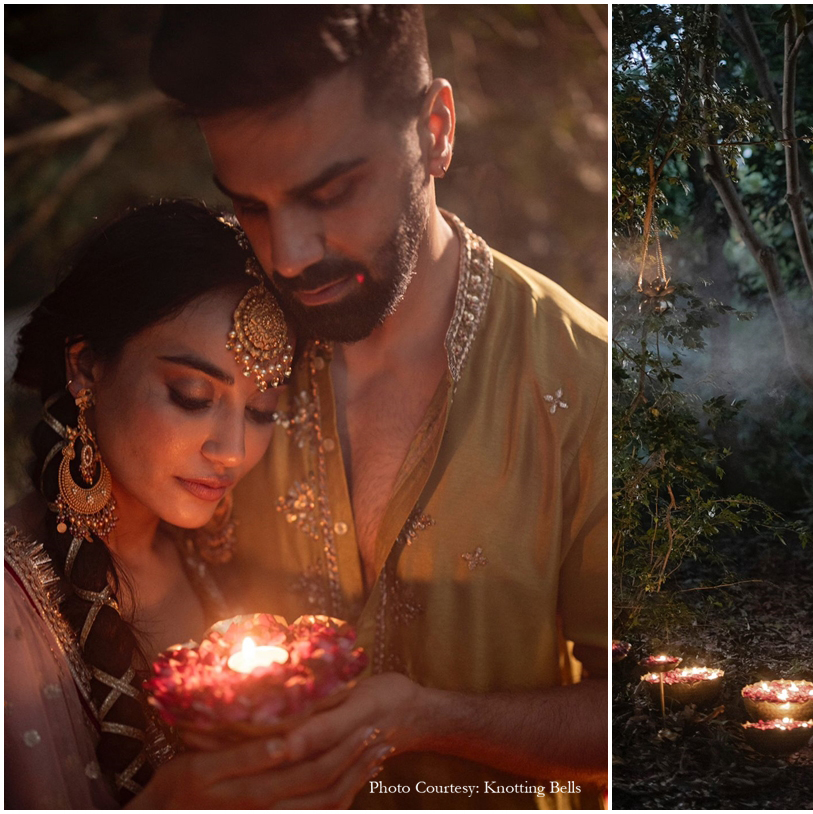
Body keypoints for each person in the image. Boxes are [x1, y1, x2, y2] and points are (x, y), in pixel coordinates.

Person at [149, 6, 607, 808]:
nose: (289, 254)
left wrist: (435, 719)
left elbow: (636, 720)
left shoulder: (584, 377)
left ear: (436, 132)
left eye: (331, 193)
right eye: (251, 207)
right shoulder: (220, 356)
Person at [5, 200, 388, 807]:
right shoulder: (12, 605)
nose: (232, 451)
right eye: (191, 395)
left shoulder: (210, 559)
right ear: (86, 367)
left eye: (261, 411)